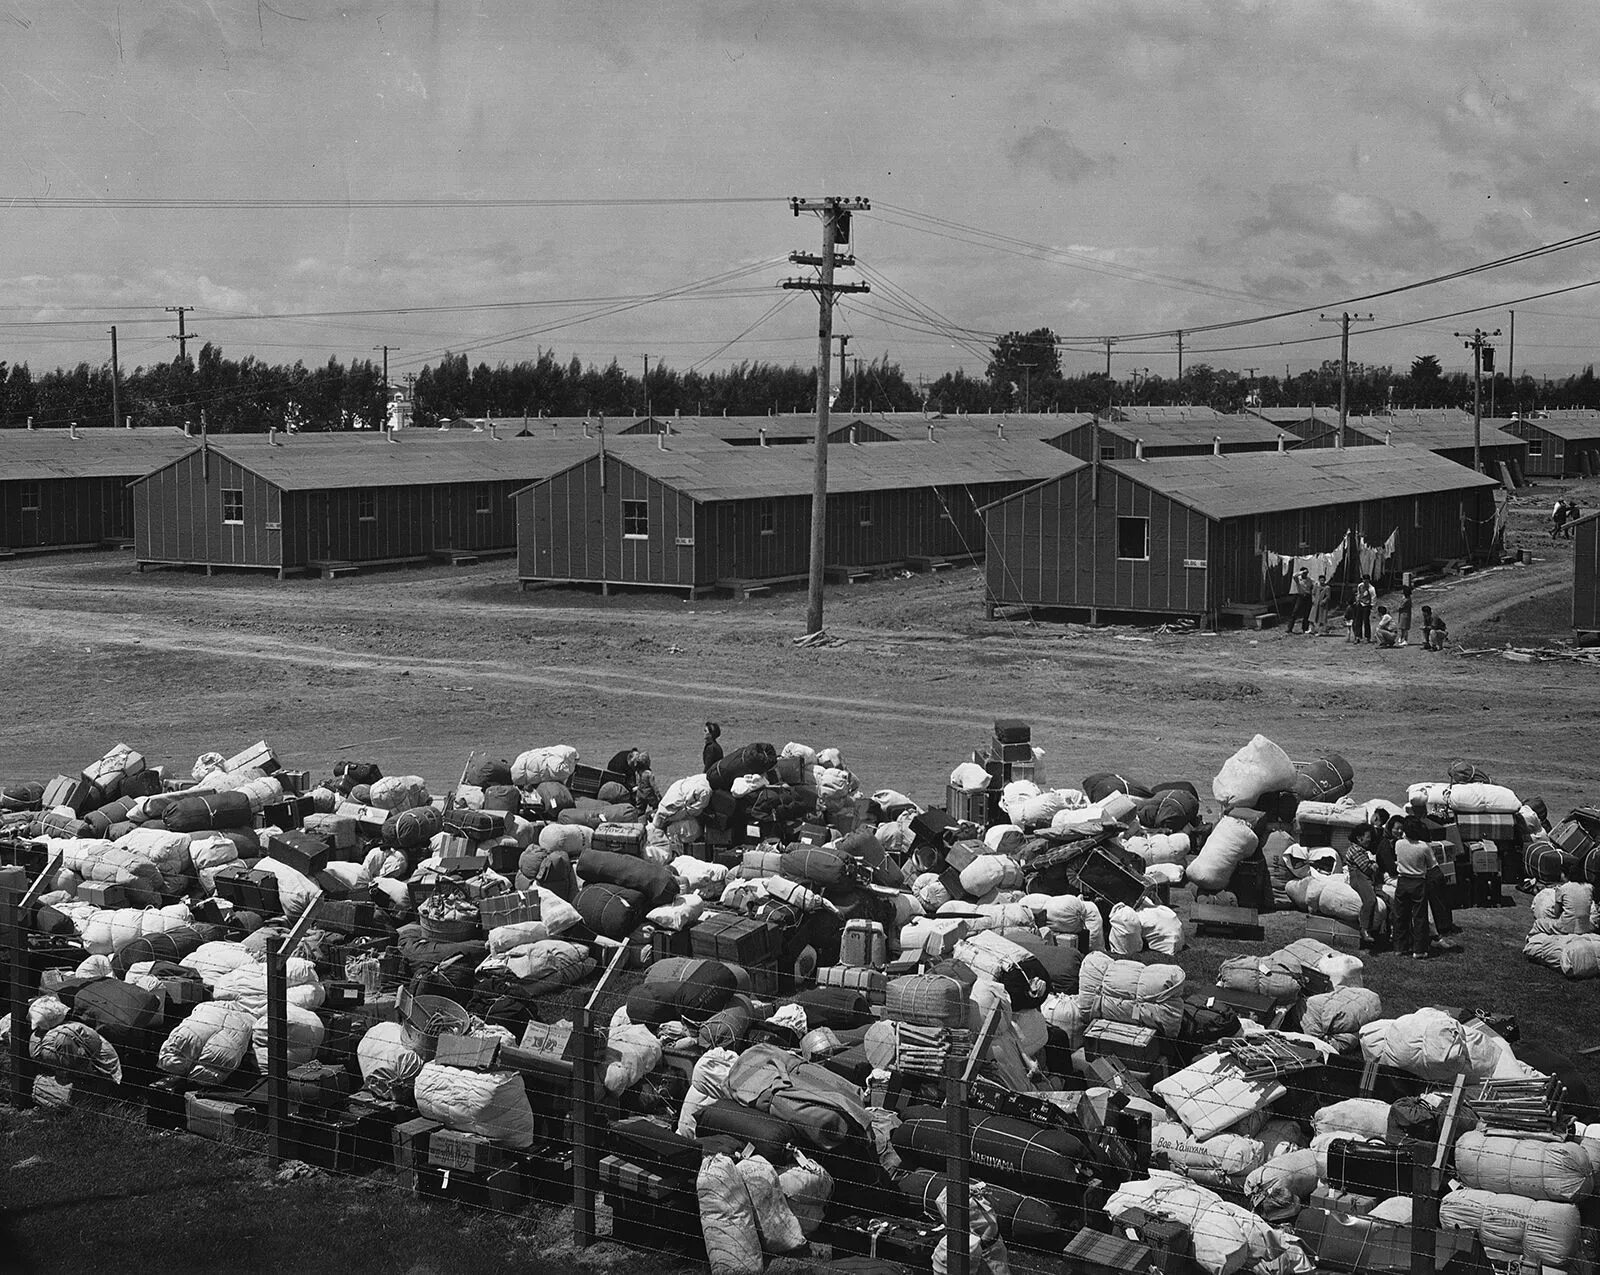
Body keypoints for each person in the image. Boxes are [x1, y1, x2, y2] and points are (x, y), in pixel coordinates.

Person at [1392, 815, 1438, 958]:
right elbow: (1432, 866)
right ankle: (1419, 949)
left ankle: (1400, 947)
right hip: (1418, 882)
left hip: (1402, 881)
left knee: (1401, 915)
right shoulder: (1424, 847)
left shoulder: (1398, 844)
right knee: (1419, 917)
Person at [1345, 825, 1389, 948]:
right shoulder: (1356, 850)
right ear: (1359, 838)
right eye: (1368, 837)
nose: (1370, 840)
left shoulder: (1361, 850)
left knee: (1385, 898)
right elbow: (1366, 869)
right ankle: (1364, 929)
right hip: (1359, 878)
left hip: (1365, 878)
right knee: (1370, 900)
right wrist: (1374, 865)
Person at [1288, 566, 1314, 634]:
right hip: (1300, 596)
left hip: (1308, 596)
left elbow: (1312, 588)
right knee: (1295, 612)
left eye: (1307, 573)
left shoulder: (1309, 580)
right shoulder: (1298, 579)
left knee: (1306, 613)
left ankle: (1305, 628)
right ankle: (1289, 628)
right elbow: (1294, 575)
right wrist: (1302, 572)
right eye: (1305, 573)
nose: (1306, 574)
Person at [1352, 575, 1375, 644]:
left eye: (1366, 580)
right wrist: (1357, 601)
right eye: (1364, 580)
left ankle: (1367, 637)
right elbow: (1359, 593)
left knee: (1366, 621)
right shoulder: (1360, 586)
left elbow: (1374, 597)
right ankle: (1358, 636)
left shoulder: (1371, 588)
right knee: (1358, 621)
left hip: (1367, 605)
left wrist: (1372, 605)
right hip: (1360, 604)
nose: (1365, 582)